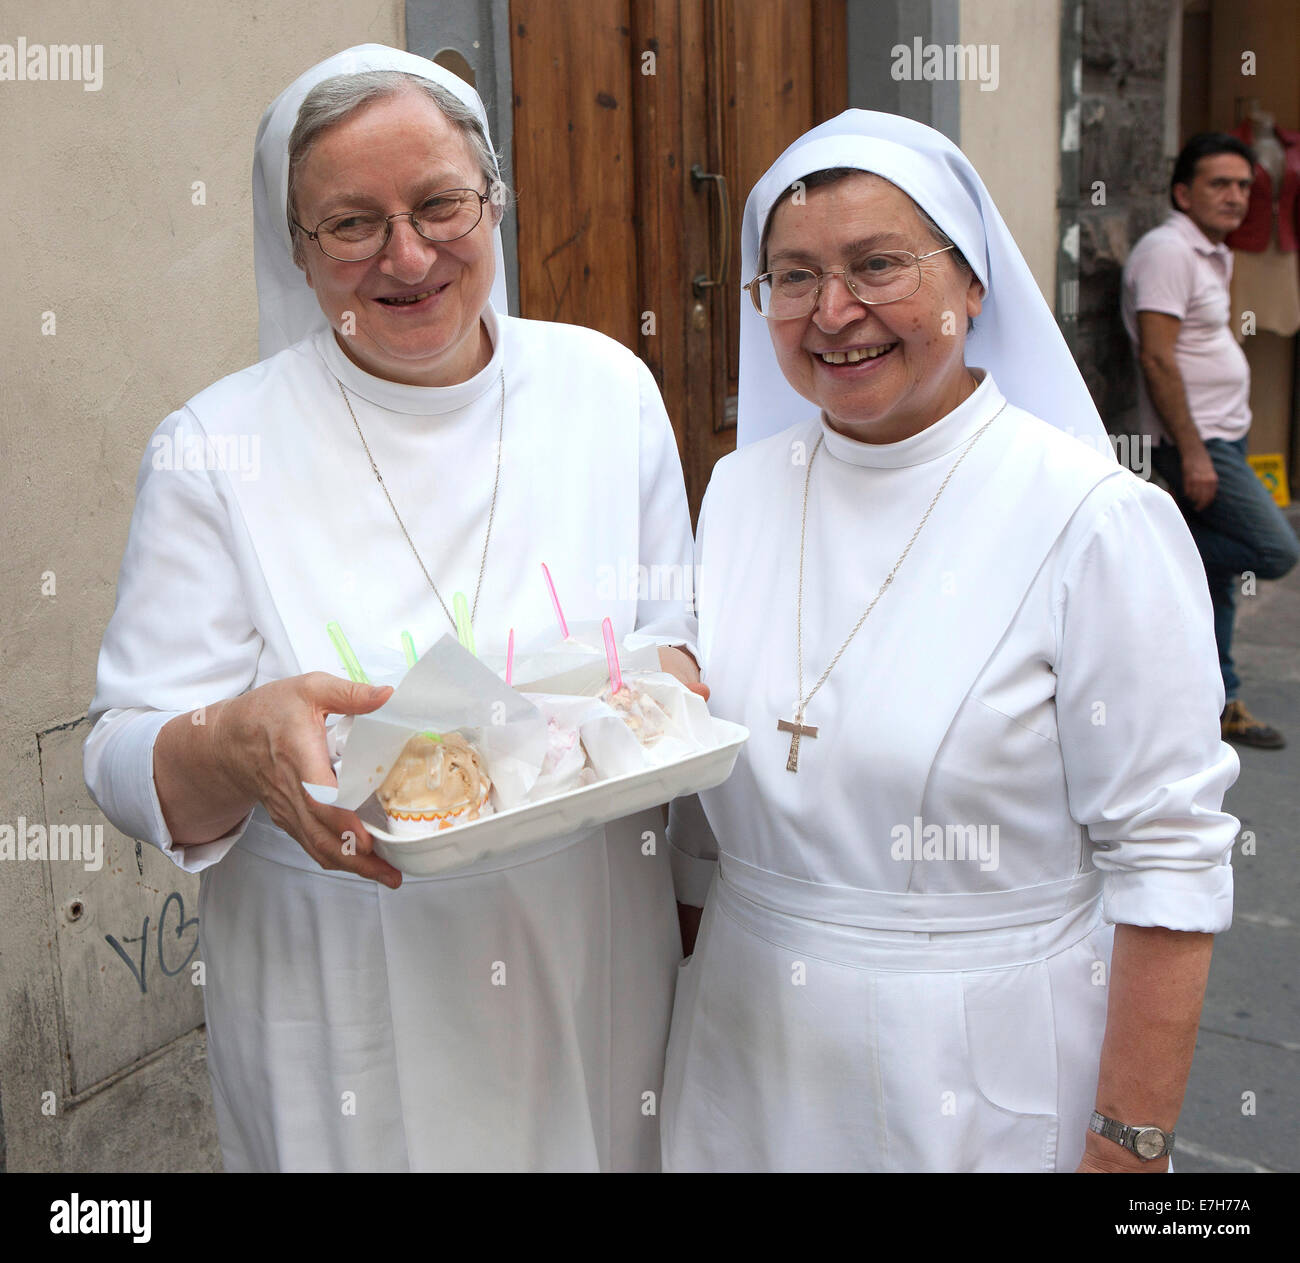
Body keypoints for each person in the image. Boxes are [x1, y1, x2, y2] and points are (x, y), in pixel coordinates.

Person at [83, 44, 702, 1172]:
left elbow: (669, 643)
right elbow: (124, 758)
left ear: (496, 202)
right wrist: (237, 743)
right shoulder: (216, 448)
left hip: (586, 956)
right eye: (350, 224)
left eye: (439, 204)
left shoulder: (607, 389)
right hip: (344, 978)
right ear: (298, 251)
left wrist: (671, 691)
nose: (407, 256)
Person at [662, 111, 1239, 1173]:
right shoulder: (739, 492)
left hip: (977, 1065)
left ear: (971, 283)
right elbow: (705, 822)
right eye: (791, 277)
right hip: (744, 1044)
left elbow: (1166, 852)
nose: (834, 312)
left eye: (877, 264)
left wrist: (1130, 1144)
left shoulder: (1093, 519)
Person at [1122, 132, 1300, 750]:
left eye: (1244, 186)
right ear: (1182, 192)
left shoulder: (1210, 251)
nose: (1235, 197)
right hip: (1198, 442)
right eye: (1219, 184)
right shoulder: (1169, 250)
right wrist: (1193, 453)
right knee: (1275, 551)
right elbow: (1158, 359)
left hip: (1228, 432)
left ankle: (1217, 701)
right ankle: (1164, 553)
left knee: (1219, 582)